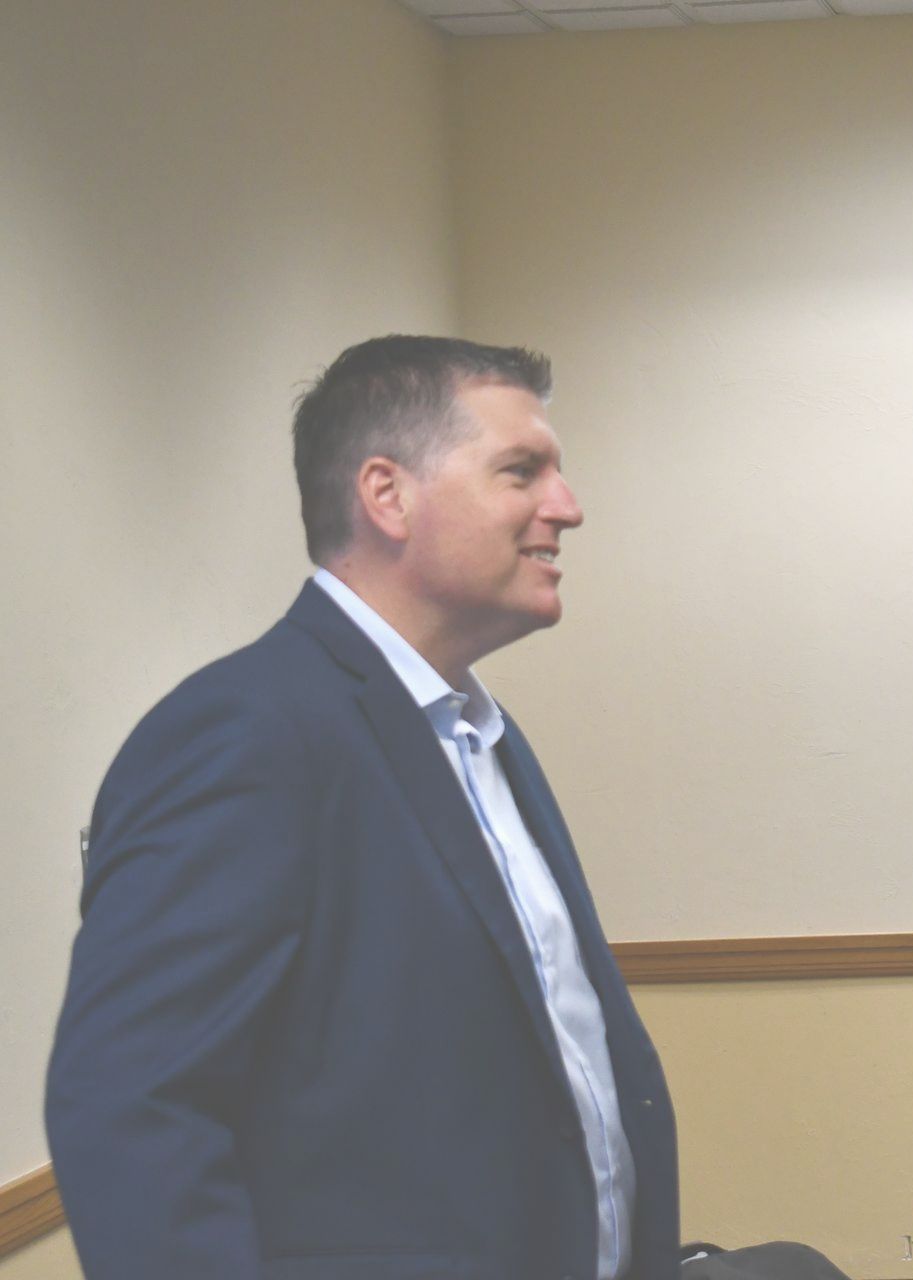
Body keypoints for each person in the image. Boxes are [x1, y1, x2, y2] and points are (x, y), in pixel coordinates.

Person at [46, 336, 679, 1279]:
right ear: (388, 495)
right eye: (522, 471)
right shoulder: (245, 733)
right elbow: (132, 1110)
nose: (567, 506)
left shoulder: (478, 734)